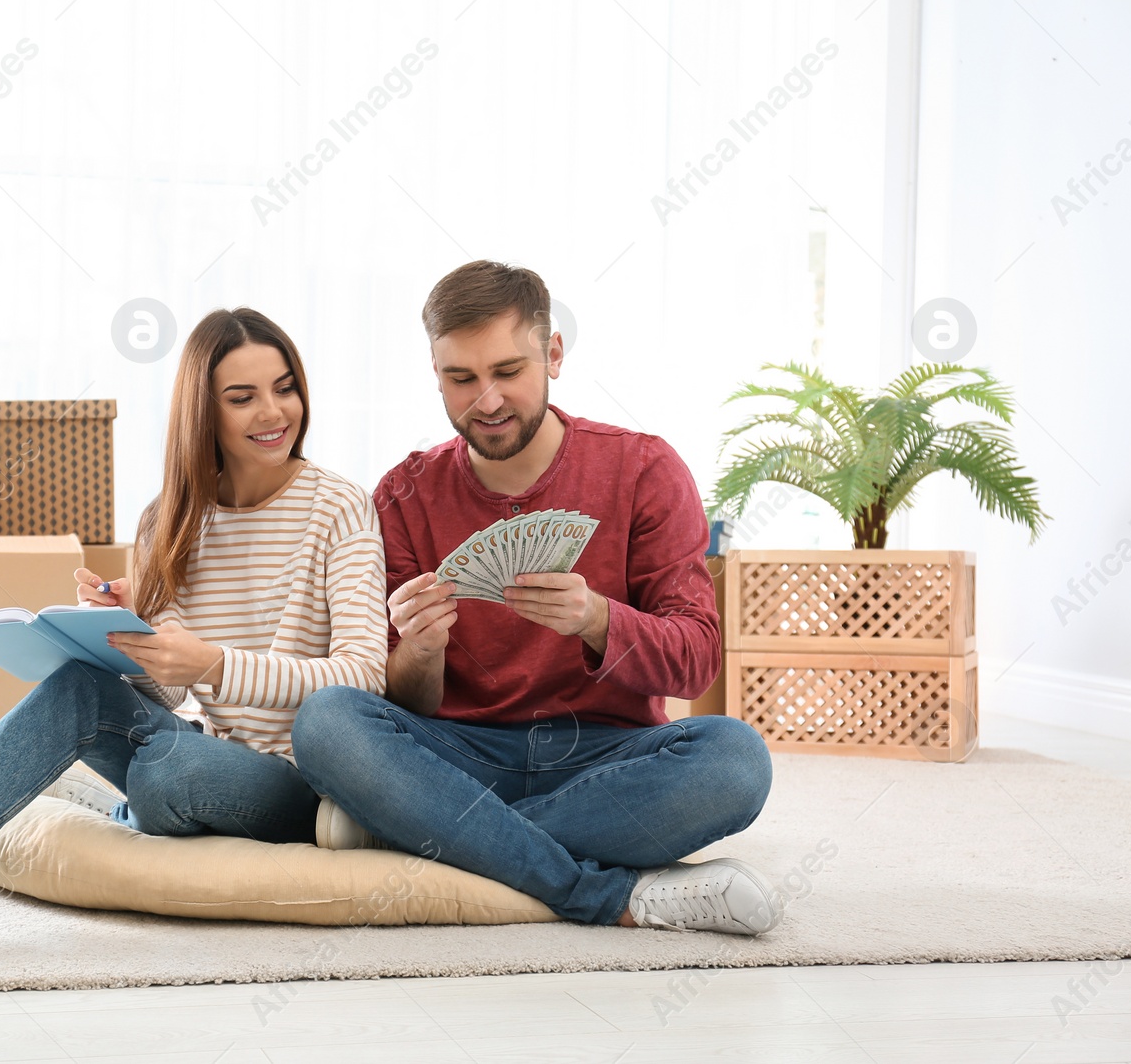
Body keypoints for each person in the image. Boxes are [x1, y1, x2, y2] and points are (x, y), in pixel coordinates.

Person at [0, 307, 388, 959]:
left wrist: (210, 663)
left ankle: (101, 796)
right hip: (203, 749)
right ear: (204, 413)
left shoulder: (339, 506)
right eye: (243, 397)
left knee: (166, 776)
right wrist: (128, 637)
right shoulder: (166, 522)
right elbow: (169, 698)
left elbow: (363, 675)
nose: (273, 412)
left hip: (293, 780)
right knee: (88, 690)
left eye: (284, 387)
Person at [291, 261, 781, 935]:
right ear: (434, 371)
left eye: (508, 372)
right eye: (460, 378)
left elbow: (695, 662)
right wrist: (423, 650)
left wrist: (597, 619)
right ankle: (601, 895)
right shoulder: (404, 494)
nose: (486, 400)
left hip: (605, 758)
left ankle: (430, 838)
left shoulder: (644, 470)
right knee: (326, 720)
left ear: (553, 354)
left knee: (736, 761)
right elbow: (405, 704)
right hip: (457, 754)